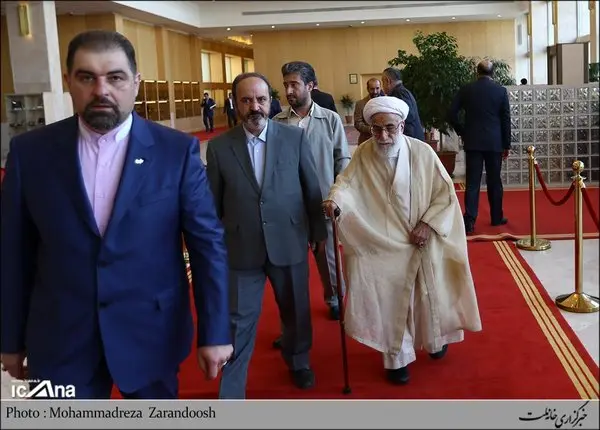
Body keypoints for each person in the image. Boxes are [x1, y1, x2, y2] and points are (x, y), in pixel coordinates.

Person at [0, 30, 233, 399]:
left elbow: (208, 245)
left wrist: (216, 331)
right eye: (87, 77)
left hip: (151, 334)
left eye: (115, 77)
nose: (101, 90)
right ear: (68, 82)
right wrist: (10, 338)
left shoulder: (175, 152)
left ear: (136, 83)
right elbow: (14, 253)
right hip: (59, 339)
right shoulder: (30, 153)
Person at [323, 96, 482, 385]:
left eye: (390, 128)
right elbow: (346, 183)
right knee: (390, 299)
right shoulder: (364, 153)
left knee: (428, 294)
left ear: (402, 125)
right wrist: (335, 200)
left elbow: (445, 194)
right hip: (384, 242)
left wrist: (427, 224)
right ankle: (396, 357)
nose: (383, 136)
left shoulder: (422, 152)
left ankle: (435, 339)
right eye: (377, 129)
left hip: (422, 239)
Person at [206, 72, 327, 399]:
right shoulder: (219, 148)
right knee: (238, 320)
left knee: (296, 310)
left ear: (270, 101)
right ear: (235, 104)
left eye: (260, 99)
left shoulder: (293, 138)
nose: (254, 107)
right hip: (241, 248)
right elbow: (212, 204)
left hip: (289, 239)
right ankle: (232, 391)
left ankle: (298, 360)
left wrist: (318, 231)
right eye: (246, 100)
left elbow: (311, 189)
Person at [273, 61, 351, 324]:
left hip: (322, 201)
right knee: (290, 262)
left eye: (294, 84)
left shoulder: (329, 120)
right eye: (286, 85)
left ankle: (335, 298)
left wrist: (338, 194)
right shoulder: (277, 123)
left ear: (310, 85)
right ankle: (294, 313)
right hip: (288, 205)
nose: (288, 90)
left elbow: (342, 160)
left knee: (327, 257)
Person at [448, 60, 511, 234]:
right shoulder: (500, 91)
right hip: (494, 143)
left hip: (473, 142)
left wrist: (463, 131)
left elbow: (451, 113)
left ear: (477, 72)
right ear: (493, 73)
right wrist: (506, 144)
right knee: (494, 181)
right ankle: (496, 217)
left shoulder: (467, 89)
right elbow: (505, 119)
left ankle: (470, 220)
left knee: (473, 182)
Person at [381, 67, 425, 142]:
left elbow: (409, 116)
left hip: (411, 140)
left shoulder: (399, 93)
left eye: (383, 82)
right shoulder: (401, 92)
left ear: (388, 81)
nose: (382, 86)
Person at [354, 77, 382, 144]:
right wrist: (370, 129)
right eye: (372, 89)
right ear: (368, 89)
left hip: (383, 140)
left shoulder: (385, 102)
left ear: (380, 88)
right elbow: (357, 123)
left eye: (377, 88)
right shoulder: (360, 104)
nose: (375, 91)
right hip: (366, 140)